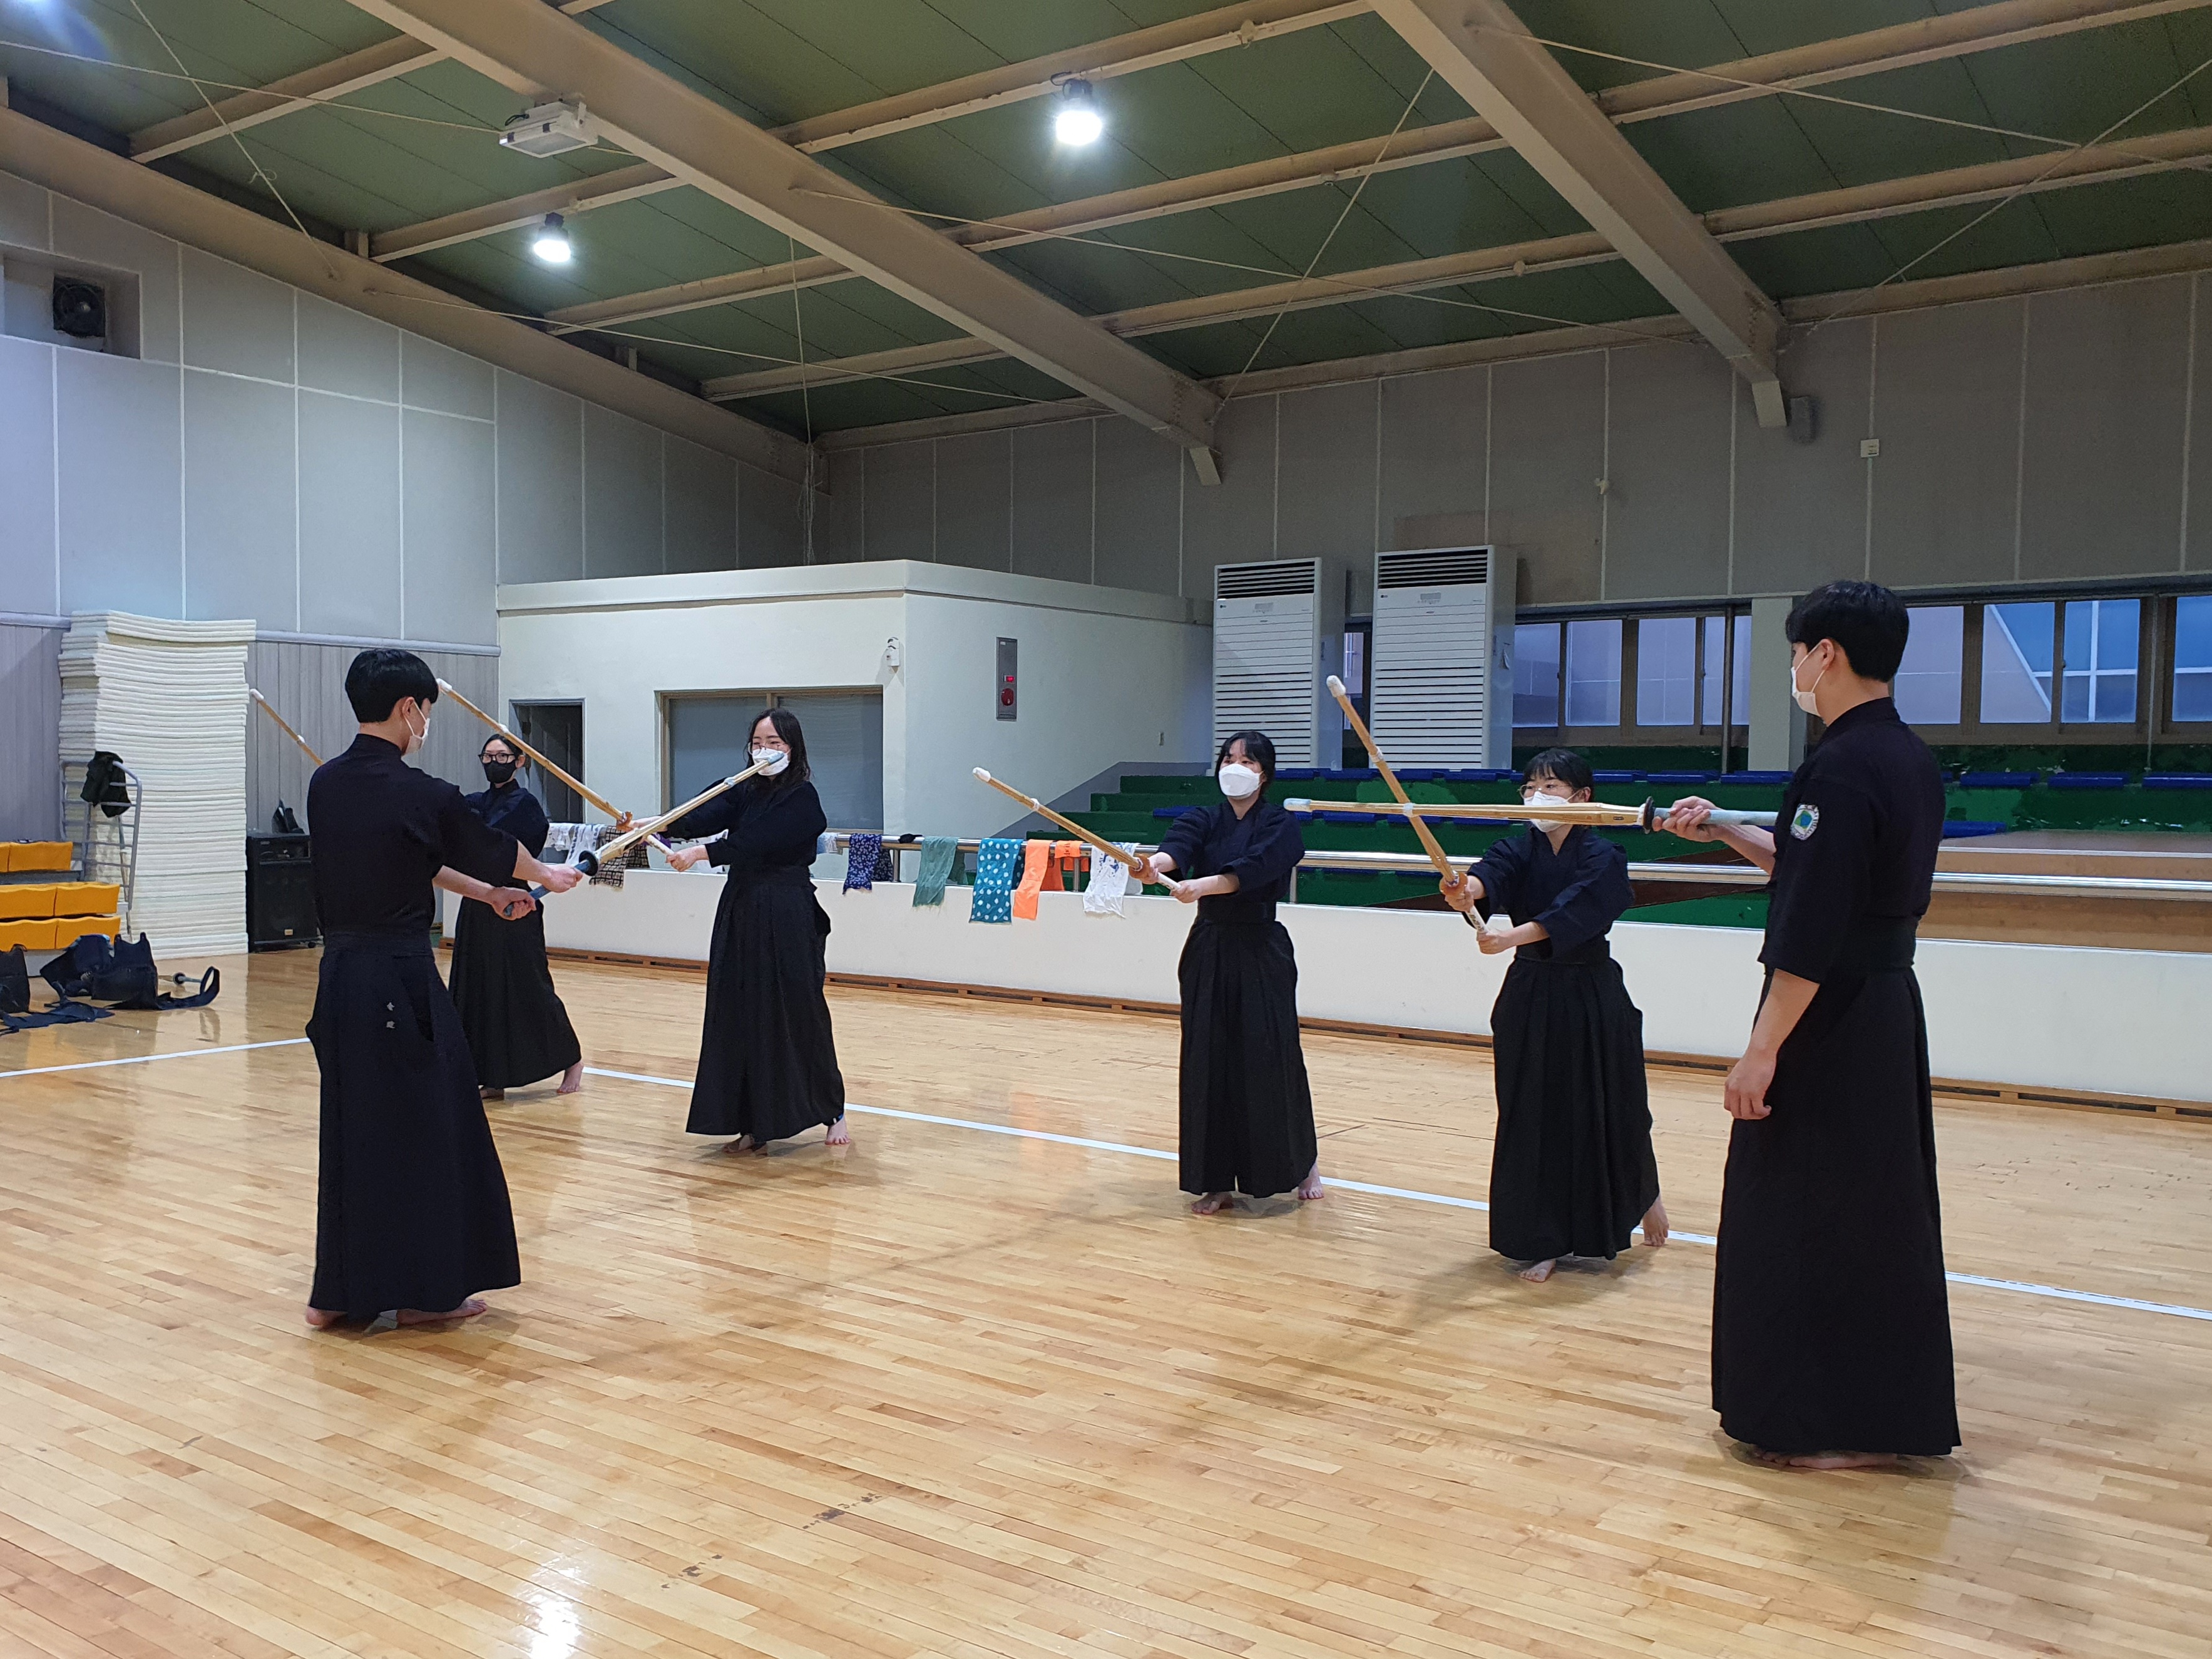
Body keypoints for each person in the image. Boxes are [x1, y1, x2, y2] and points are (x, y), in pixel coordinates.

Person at [1667, 580, 1958, 1471]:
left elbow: (1814, 923)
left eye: (1796, 651)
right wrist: (1726, 830)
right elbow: (1812, 863)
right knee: (1869, 1209)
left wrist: (1761, 1050)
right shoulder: (1903, 757)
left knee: (1805, 1213)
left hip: (1829, 1018)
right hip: (1880, 1011)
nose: (1794, 667)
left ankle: (1821, 1419)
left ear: (1824, 652)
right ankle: (1874, 1415)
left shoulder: (1840, 766)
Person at [304, 649, 582, 1330]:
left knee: (355, 1128)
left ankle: (337, 1293)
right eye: (426, 710)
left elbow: (421, 859)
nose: (426, 723)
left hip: (341, 980)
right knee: (432, 1128)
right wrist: (546, 875)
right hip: (400, 979)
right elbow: (489, 844)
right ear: (409, 709)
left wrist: (487, 894)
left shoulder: (326, 784)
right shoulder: (423, 792)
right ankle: (427, 1292)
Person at [1439, 748, 1667, 1282]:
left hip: (1590, 994)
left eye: (1550, 787)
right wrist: (1465, 889)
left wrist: (1511, 936)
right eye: (1529, 787)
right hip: (1531, 994)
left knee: (1614, 1102)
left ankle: (1644, 1193)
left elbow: (1576, 909)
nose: (1536, 797)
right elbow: (1490, 875)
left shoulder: (1605, 854)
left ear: (1582, 797)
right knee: (1534, 1111)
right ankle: (1543, 1236)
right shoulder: (1519, 846)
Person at [1133, 732, 1321, 1215]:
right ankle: (1215, 1179)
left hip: (1261, 948)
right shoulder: (1204, 817)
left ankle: (1301, 1162)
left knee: (1271, 1053)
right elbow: (1178, 847)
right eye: (1228, 758)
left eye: (1247, 760)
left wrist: (1203, 885)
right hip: (1210, 945)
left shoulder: (1280, 823)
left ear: (1265, 773)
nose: (1235, 767)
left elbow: (1254, 868)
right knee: (1208, 1057)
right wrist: (1153, 865)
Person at [663, 708, 850, 1152]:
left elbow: (758, 841)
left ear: (792, 748)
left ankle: (832, 1108)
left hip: (786, 910)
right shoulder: (743, 789)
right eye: (758, 743)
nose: (764, 751)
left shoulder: (803, 799)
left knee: (797, 1008)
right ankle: (752, 1122)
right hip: (742, 907)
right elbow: (701, 814)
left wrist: (701, 854)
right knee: (738, 1009)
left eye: (774, 743)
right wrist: (658, 824)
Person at [448, 734, 585, 1101]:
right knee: (478, 987)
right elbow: (460, 829)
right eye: (488, 756)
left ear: (519, 761)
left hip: (517, 904)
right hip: (479, 901)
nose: (494, 762)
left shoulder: (526, 804)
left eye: (502, 756)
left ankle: (571, 1057)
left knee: (528, 984)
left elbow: (495, 845)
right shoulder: (476, 801)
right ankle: (491, 1075)